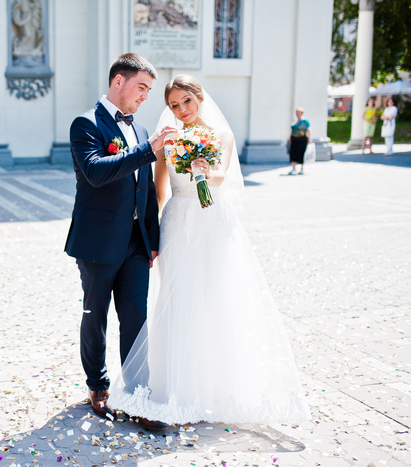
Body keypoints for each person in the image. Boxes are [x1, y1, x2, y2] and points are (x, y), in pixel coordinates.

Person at [109, 74, 310, 425]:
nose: (182, 110)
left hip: (212, 221)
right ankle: (174, 385)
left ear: (199, 97)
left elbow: (221, 177)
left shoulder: (222, 136)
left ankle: (214, 387)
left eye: (187, 101)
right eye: (174, 105)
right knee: (178, 300)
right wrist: (151, 236)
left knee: (214, 298)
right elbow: (158, 191)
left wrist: (204, 170)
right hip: (177, 224)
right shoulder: (168, 141)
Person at [65, 53, 176, 430]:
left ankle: (139, 397)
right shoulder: (85, 123)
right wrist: (148, 150)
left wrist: (153, 237)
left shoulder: (142, 131)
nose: (146, 96)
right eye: (142, 87)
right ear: (118, 82)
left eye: (149, 89)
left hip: (135, 244)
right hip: (96, 242)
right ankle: (98, 386)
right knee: (95, 317)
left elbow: (145, 190)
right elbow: (96, 172)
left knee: (136, 320)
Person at [288, 107, 312, 175]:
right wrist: (290, 138)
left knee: (301, 153)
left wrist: (310, 138)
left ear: (302, 113)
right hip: (294, 138)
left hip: (302, 139)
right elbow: (292, 130)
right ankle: (293, 168)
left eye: (298, 112)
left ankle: (302, 168)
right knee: (293, 153)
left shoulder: (305, 121)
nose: (297, 114)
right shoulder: (294, 120)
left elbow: (309, 129)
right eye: (296, 112)